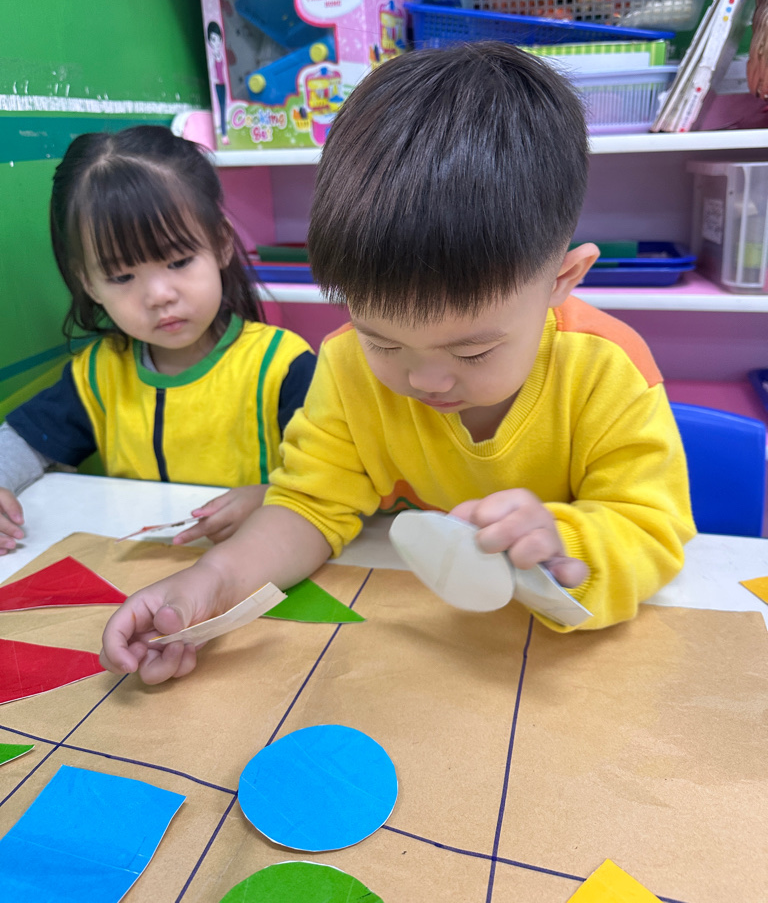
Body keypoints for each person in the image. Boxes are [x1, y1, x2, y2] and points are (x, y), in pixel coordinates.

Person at [101, 43, 695, 684]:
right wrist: (211, 583)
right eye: (382, 340)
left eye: (472, 350)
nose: (424, 380)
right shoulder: (346, 366)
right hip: (427, 652)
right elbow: (310, 505)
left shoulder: (604, 370)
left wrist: (563, 547)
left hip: (565, 671)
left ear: (563, 279)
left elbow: (650, 530)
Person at [0, 125, 315, 554]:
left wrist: (274, 498)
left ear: (221, 244)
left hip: (261, 562)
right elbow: (22, 441)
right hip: (143, 569)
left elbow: (338, 472)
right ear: (89, 284)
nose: (159, 296)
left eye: (179, 261)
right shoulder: (97, 374)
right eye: (121, 276)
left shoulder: (282, 364)